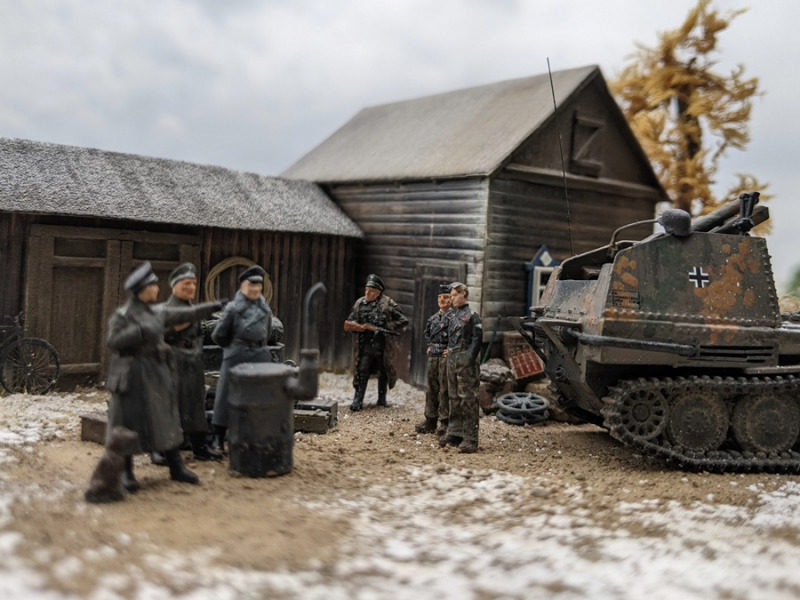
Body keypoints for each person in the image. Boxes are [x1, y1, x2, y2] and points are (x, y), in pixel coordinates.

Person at [106, 261, 223, 492]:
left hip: (156, 370)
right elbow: (113, 342)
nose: (158, 289)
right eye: (153, 286)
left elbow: (188, 312)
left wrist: (215, 306)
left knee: (166, 417)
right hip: (132, 372)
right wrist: (140, 331)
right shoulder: (124, 315)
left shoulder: (157, 311)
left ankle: (176, 467)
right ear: (142, 290)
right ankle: (127, 472)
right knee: (130, 421)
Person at [161, 263, 222, 462]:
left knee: (196, 404)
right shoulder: (168, 309)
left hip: (193, 362)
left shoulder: (190, 308)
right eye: (186, 284)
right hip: (175, 363)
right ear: (174, 286)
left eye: (194, 284)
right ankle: (165, 449)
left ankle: (200, 447)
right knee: (174, 406)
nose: (191, 288)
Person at [210, 265, 273, 452]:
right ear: (242, 287)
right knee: (225, 396)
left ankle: (254, 437)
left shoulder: (265, 309)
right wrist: (234, 347)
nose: (255, 290)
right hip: (237, 355)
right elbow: (218, 335)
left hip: (259, 355)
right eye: (251, 286)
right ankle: (218, 438)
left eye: (258, 287)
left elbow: (267, 333)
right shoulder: (232, 308)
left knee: (258, 397)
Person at [344, 274, 409, 411]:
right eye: (366, 289)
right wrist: (361, 328)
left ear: (378, 292)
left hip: (382, 345)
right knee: (362, 371)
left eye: (371, 290)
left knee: (383, 370)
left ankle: (382, 398)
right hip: (365, 345)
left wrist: (386, 328)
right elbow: (349, 322)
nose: (367, 292)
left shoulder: (388, 304)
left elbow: (403, 320)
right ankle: (358, 400)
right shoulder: (359, 304)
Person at [440, 282, 482, 454]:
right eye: (450, 296)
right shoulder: (452, 316)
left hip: (465, 358)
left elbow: (477, 339)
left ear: (463, 294)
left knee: (468, 397)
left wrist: (469, 357)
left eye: (454, 296)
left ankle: (470, 437)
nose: (451, 299)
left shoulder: (472, 316)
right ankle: (455, 431)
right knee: (453, 395)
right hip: (452, 357)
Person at [415, 284, 452, 435]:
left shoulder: (453, 318)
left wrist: (450, 349)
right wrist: (429, 346)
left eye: (446, 297)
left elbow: (457, 336)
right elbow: (426, 334)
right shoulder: (433, 318)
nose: (442, 300)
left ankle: (444, 422)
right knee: (431, 389)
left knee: (444, 389)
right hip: (433, 356)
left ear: (451, 299)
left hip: (444, 357)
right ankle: (430, 420)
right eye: (440, 298)